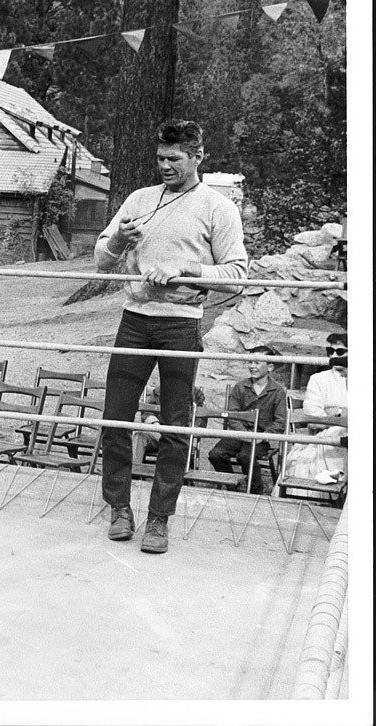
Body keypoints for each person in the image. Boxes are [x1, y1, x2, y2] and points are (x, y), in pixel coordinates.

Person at [94, 118, 248, 554]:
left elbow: (237, 274)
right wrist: (117, 242)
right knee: (116, 417)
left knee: (175, 424)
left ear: (198, 156)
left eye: (174, 159)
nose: (164, 166)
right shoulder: (140, 199)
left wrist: (188, 269)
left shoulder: (218, 207)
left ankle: (159, 518)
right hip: (134, 319)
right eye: (160, 158)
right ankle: (119, 508)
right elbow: (101, 261)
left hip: (181, 323)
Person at [207, 347, 287, 494]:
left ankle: (256, 490)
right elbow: (232, 415)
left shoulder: (277, 391)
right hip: (239, 434)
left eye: (257, 363)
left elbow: (280, 421)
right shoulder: (241, 387)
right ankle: (234, 486)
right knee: (216, 454)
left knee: (245, 456)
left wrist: (261, 437)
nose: (252, 366)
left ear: (270, 367)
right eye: (250, 362)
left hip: (261, 437)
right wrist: (244, 434)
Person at [283, 332, 348, 491]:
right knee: (306, 462)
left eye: (340, 352)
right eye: (330, 352)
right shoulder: (319, 379)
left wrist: (331, 412)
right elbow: (313, 417)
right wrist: (341, 413)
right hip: (326, 436)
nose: (333, 356)